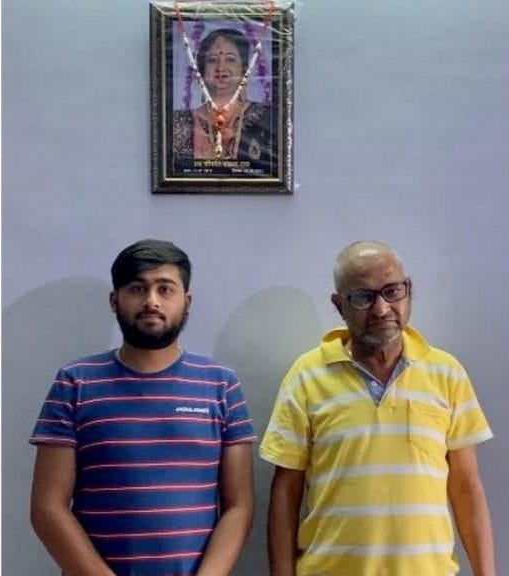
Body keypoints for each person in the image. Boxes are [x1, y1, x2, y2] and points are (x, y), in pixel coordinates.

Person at [261, 240, 496, 576]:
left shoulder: (447, 372)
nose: (382, 309)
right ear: (339, 305)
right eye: (363, 297)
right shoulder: (306, 375)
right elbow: (286, 491)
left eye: (392, 292)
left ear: (408, 290)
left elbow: (466, 487)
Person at [29, 239, 256, 576]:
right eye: (138, 288)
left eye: (166, 289)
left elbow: (239, 505)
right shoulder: (76, 383)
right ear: (114, 300)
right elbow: (48, 508)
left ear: (186, 302)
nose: (152, 301)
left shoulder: (220, 384)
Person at [173, 27, 274, 168]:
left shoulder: (268, 117)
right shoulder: (178, 123)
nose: (221, 67)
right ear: (201, 71)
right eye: (213, 60)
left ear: (244, 70)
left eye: (230, 59)